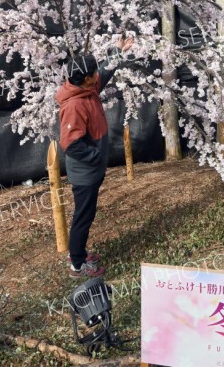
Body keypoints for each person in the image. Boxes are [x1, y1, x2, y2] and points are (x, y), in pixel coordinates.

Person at [55, 35, 134, 278]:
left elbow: (105, 74)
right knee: (83, 216)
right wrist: (96, 157)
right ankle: (77, 263)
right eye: (93, 73)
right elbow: (71, 144)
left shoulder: (86, 89)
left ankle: (77, 252)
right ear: (86, 78)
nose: (96, 75)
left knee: (85, 213)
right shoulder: (75, 105)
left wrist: (118, 52)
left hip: (91, 170)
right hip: (85, 174)